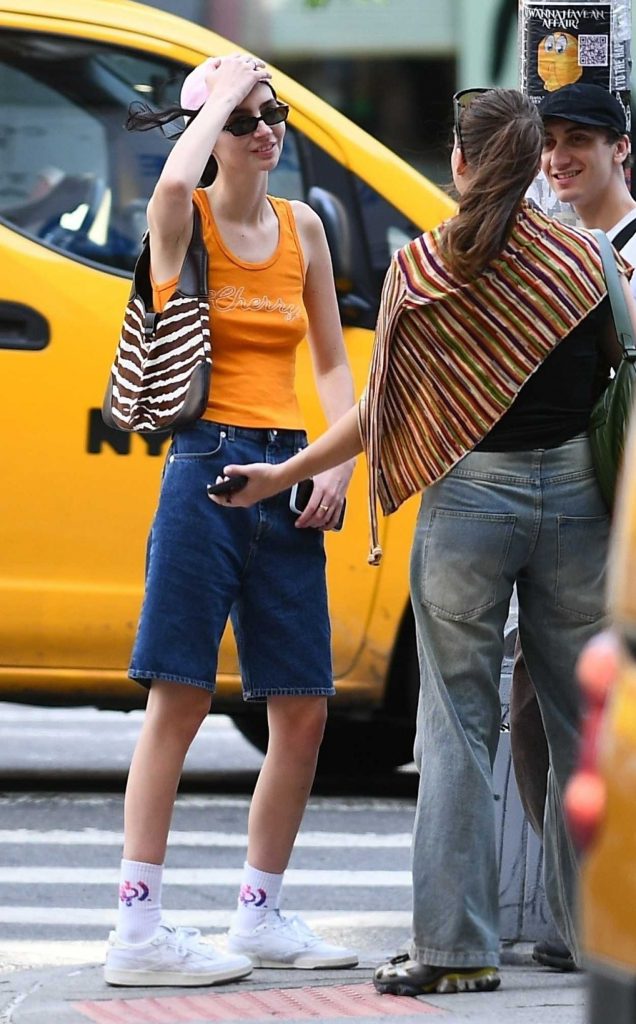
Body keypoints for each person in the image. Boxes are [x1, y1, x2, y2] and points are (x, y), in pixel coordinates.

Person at [210, 87, 636, 996]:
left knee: (456, 727)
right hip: (575, 503)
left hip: (466, 506)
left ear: (460, 162)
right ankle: (607, 940)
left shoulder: (422, 270)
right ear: (528, 164)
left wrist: (284, 476)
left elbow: (379, 411)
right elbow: (621, 375)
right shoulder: (586, 259)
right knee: (583, 732)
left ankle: (454, 950)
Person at [103, 53, 358, 988]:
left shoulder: (306, 229)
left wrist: (333, 459)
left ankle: (260, 914)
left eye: (275, 111)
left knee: (303, 708)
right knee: (178, 696)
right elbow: (175, 176)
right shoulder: (186, 219)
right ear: (210, 130)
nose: (266, 129)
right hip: (205, 468)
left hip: (287, 470)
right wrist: (213, 100)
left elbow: (332, 362)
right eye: (246, 117)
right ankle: (137, 932)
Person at [509, 82, 636, 973]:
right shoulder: (552, 245)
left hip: (621, 511)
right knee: (535, 710)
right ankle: (576, 901)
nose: (560, 158)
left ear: (620, 149)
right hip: (569, 510)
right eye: (549, 142)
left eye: (579, 141)